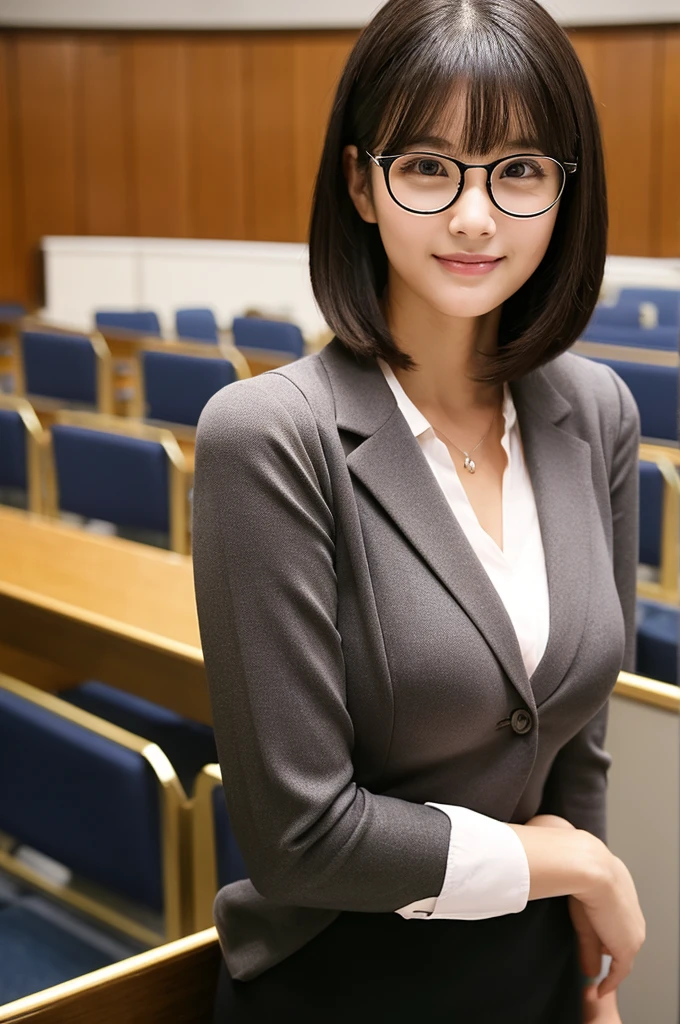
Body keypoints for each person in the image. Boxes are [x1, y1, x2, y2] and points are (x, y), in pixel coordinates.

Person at [191, 0, 646, 1020]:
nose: (474, 216)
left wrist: (586, 954)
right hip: (342, 984)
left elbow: (575, 733)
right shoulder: (267, 435)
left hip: (534, 974)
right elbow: (302, 836)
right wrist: (570, 864)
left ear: (565, 193)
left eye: (519, 169)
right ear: (359, 181)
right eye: (429, 166)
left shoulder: (596, 411)